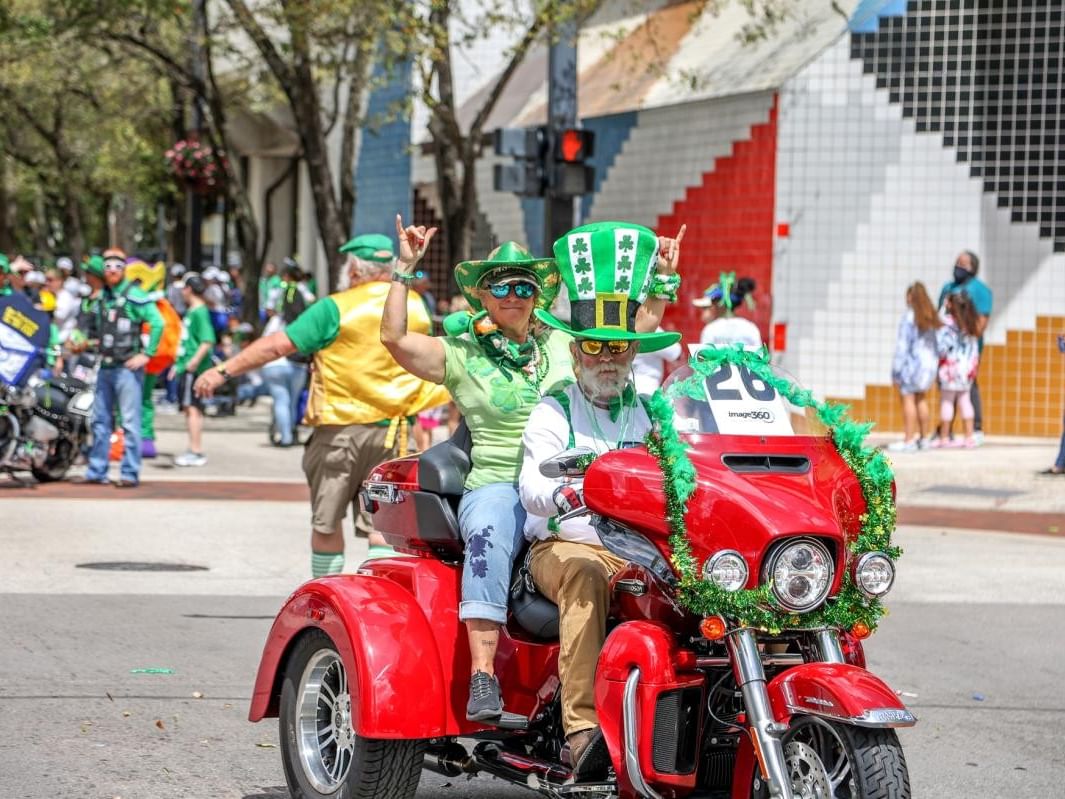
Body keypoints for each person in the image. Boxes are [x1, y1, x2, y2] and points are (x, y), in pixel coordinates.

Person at [382, 215, 682, 724]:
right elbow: (394, 339)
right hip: (501, 480)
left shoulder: (562, 344)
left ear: (538, 293)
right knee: (490, 531)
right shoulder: (460, 353)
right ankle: (483, 673)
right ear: (481, 295)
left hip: (575, 480)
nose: (514, 294)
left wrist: (662, 277)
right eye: (500, 285)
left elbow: (630, 333)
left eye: (524, 284)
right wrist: (403, 270)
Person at [518, 221, 681, 779]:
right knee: (586, 570)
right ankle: (582, 729)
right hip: (563, 548)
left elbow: (685, 463)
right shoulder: (555, 408)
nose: (606, 358)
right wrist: (565, 492)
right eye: (595, 347)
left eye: (617, 347)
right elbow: (530, 489)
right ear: (575, 350)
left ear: (633, 351)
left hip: (636, 551)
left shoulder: (650, 409)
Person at [196, 233, 449, 574]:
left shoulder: (336, 307)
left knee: (327, 523)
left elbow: (276, 347)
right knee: (382, 527)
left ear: (355, 270)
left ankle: (328, 599)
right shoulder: (415, 305)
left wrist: (224, 370)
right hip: (398, 434)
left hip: (340, 434)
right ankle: (378, 604)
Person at [70, 249, 165, 487]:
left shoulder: (135, 295)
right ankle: (97, 471)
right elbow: (90, 328)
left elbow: (157, 322)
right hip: (105, 367)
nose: (112, 270)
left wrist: (147, 355)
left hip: (127, 370)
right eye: (108, 266)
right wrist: (82, 342)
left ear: (124, 269)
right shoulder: (102, 297)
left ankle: (129, 473)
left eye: (117, 266)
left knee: (130, 423)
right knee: (100, 422)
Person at [938, 250, 992, 443]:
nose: (958, 267)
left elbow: (980, 324)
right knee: (946, 391)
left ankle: (975, 429)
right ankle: (945, 431)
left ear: (973, 268)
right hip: (947, 351)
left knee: (968, 389)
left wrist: (963, 330)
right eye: (957, 263)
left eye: (963, 264)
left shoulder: (980, 290)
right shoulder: (948, 287)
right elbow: (940, 316)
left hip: (967, 352)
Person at [888, 282, 940, 452]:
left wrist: (896, 370)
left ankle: (909, 440)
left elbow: (903, 346)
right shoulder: (930, 316)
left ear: (911, 297)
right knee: (921, 399)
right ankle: (924, 439)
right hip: (927, 367)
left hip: (912, 366)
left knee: (908, 400)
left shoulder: (909, 317)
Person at [171, 273, 216, 466]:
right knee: (189, 409)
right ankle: (193, 449)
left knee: (193, 409)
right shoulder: (194, 311)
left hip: (193, 369)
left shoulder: (199, 312)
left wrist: (193, 362)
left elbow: (207, 340)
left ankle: (195, 450)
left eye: (184, 288)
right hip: (186, 366)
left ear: (189, 289)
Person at [932, 292, 980, 449]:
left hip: (949, 370)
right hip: (966, 370)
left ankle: (944, 437)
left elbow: (941, 347)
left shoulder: (946, 323)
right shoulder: (971, 324)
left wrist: (942, 310)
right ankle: (969, 436)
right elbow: (974, 349)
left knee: (947, 402)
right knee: (965, 401)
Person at [693, 273, 761, 349]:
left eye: (712, 303)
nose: (712, 307)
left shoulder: (711, 330)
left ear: (720, 303)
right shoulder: (751, 329)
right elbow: (759, 357)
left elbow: (704, 358)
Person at [631, 327, 682, 394]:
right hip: (647, 386)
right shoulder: (650, 327)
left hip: (626, 385)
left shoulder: (627, 327)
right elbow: (675, 352)